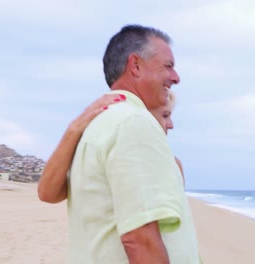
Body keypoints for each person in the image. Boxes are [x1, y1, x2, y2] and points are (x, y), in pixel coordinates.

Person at [66, 25, 200, 263]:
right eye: (168, 66)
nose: (176, 77)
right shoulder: (133, 123)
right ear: (135, 65)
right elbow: (140, 240)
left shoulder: (100, 125)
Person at [37, 90, 184, 203]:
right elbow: (48, 193)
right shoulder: (111, 158)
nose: (171, 125)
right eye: (165, 115)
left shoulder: (174, 165)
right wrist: (74, 128)